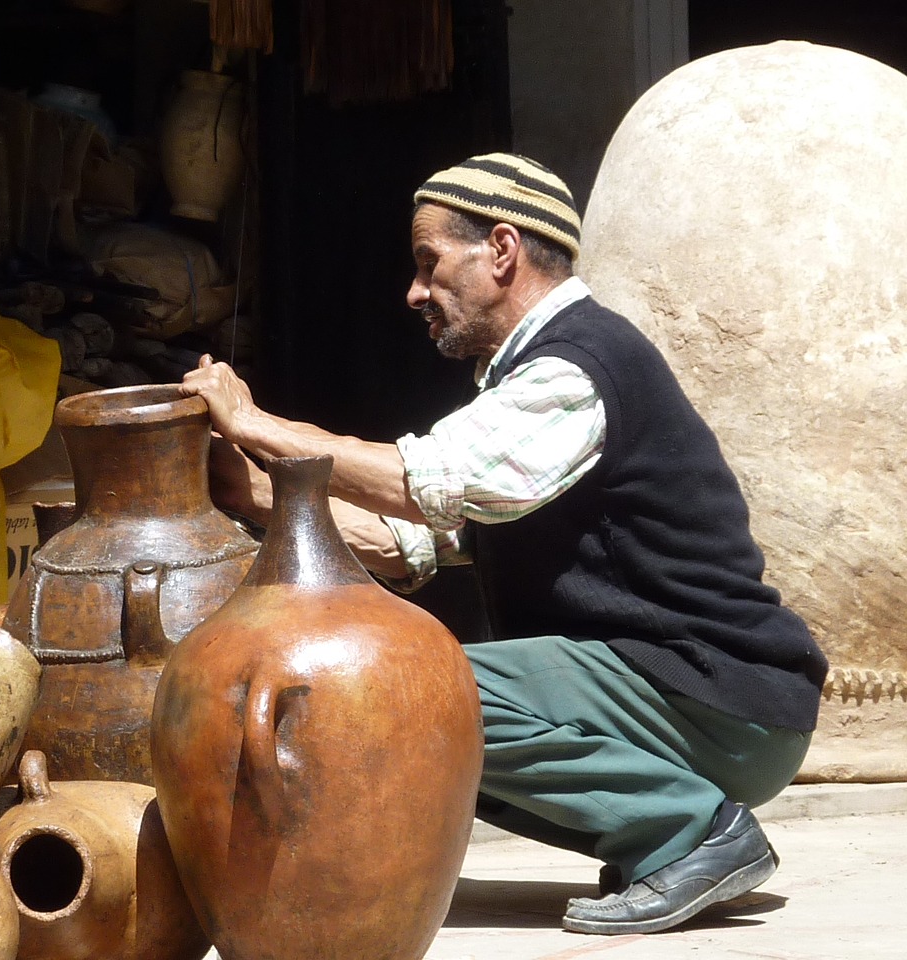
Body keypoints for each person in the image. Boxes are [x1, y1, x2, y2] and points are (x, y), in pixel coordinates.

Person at [179, 153, 829, 936]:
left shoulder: (578, 370)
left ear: (500, 250)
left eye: (429, 263)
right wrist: (246, 491)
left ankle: (688, 831)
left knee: (405, 690)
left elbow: (427, 481)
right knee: (416, 731)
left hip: (721, 699)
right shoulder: (526, 382)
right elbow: (405, 542)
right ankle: (676, 827)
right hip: (687, 700)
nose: (415, 292)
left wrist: (256, 426)